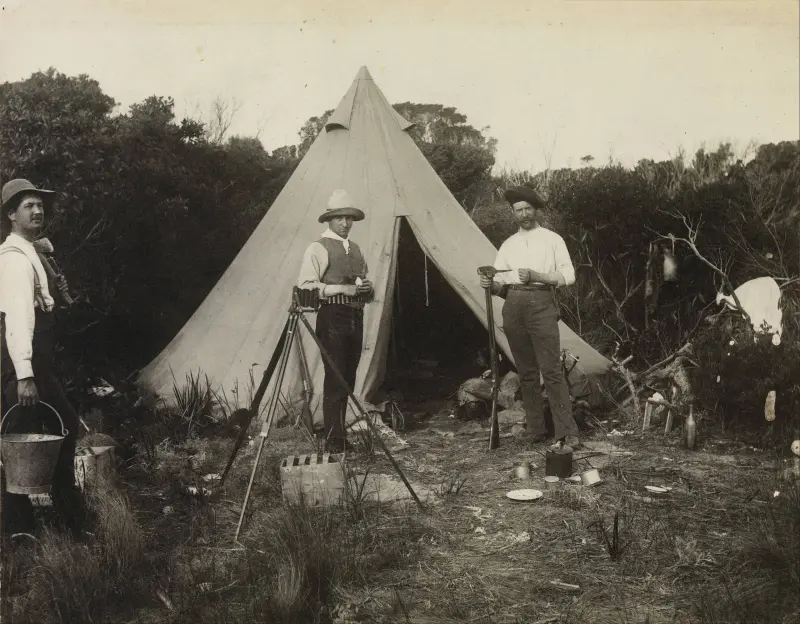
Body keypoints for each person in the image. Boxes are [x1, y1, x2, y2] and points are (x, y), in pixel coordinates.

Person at [0, 178, 85, 538]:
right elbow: (18, 318)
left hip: (38, 365)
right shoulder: (14, 260)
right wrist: (25, 375)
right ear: (11, 215)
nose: (38, 211)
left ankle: (54, 522)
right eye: (28, 206)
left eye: (40, 205)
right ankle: (24, 529)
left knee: (35, 439)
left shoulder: (30, 251)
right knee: (19, 445)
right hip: (23, 365)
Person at [479, 182, 581, 450]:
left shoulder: (552, 239)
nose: (523, 214)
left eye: (527, 209)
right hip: (513, 306)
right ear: (513, 213)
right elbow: (502, 283)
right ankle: (536, 428)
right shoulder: (508, 244)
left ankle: (567, 432)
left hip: (541, 303)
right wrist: (491, 285)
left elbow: (569, 275)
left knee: (551, 370)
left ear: (535, 210)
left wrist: (538, 276)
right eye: (518, 210)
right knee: (525, 371)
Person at [297, 189, 373, 453]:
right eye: (339, 218)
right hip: (332, 317)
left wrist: (366, 289)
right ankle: (333, 440)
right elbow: (305, 287)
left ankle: (340, 437)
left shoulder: (356, 249)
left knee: (348, 378)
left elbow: (362, 282)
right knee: (335, 377)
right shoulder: (318, 247)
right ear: (329, 220)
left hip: (355, 315)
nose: (345, 224)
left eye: (349, 218)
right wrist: (342, 290)